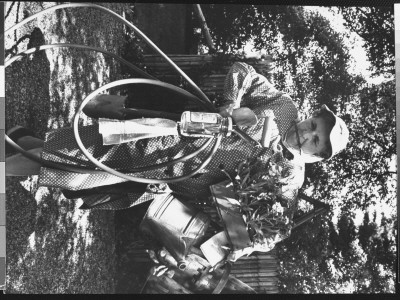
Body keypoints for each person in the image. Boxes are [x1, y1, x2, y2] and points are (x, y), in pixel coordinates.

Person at [6, 62, 349, 243]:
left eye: (317, 140)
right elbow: (243, 70)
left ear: (319, 156)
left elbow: (255, 236)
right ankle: (16, 148)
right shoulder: (284, 105)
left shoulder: (288, 184)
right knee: (70, 150)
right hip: (158, 133)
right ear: (311, 116)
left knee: (68, 167)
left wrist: (256, 173)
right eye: (314, 124)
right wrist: (230, 104)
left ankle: (18, 141)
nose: (308, 132)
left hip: (159, 179)